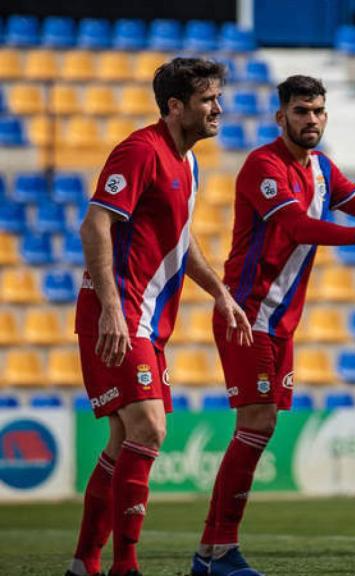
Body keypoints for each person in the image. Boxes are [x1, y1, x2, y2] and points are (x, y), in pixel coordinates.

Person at [189, 75, 355, 576]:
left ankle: (211, 553)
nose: (312, 120)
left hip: (281, 324)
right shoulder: (264, 165)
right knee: (256, 424)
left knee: (261, 427)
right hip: (247, 315)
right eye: (301, 111)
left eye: (319, 111)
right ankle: (218, 551)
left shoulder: (322, 168)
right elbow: (297, 225)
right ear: (281, 117)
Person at [67, 57, 252, 576]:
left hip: (146, 320)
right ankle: (125, 565)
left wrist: (220, 292)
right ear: (176, 106)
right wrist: (109, 309)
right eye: (208, 99)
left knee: (127, 439)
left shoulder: (189, 162)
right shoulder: (139, 150)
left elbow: (180, 239)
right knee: (149, 428)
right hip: (119, 315)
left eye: (218, 97)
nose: (219, 108)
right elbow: (94, 225)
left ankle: (85, 563)